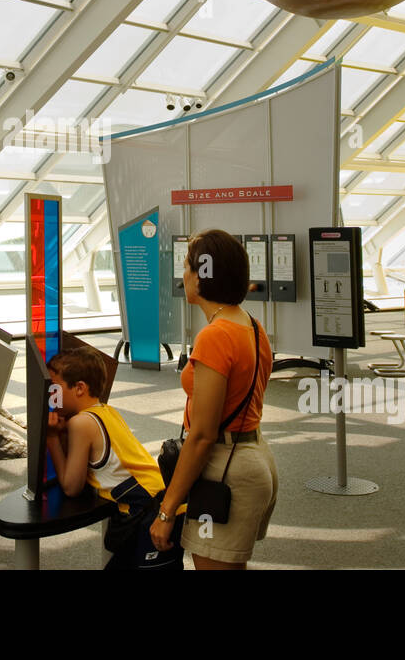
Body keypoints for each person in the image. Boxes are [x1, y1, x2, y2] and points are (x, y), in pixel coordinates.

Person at [150, 229, 276, 570]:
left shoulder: (216, 336)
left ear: (203, 275)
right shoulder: (251, 325)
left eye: (188, 266)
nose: (184, 275)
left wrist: (167, 511)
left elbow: (203, 435)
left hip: (226, 469)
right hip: (253, 457)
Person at [45, 347, 183, 570]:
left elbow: (71, 487)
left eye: (54, 387)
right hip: (161, 502)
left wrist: (52, 438)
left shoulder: (80, 423)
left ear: (79, 388)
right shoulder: (106, 411)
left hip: (150, 513)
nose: (50, 394)